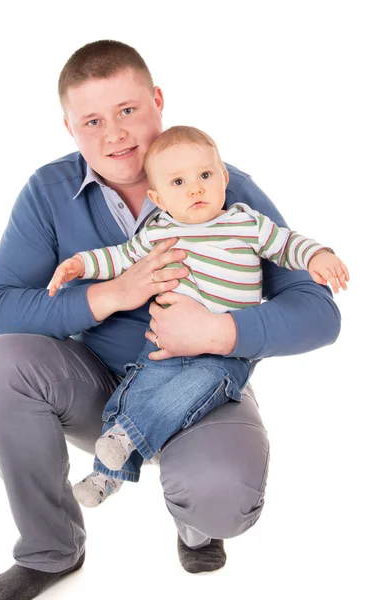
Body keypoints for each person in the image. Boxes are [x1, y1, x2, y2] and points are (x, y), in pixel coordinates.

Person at [0, 40, 342, 600]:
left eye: (127, 110)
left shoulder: (219, 188)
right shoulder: (48, 192)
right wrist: (112, 295)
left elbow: (318, 312)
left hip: (206, 380)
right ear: (69, 128)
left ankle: (193, 520)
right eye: (92, 120)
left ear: (158, 101)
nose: (113, 134)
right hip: (95, 385)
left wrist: (222, 332)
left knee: (221, 497)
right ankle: (52, 548)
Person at [48, 125, 348, 507]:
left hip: (224, 358)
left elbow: (287, 244)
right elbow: (119, 257)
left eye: (205, 176)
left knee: (185, 394)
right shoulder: (159, 233)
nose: (195, 189)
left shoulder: (244, 222)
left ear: (223, 177)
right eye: (178, 182)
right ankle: (106, 476)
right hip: (163, 348)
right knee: (133, 393)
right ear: (158, 197)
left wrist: (318, 255)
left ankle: (124, 443)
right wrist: (79, 264)